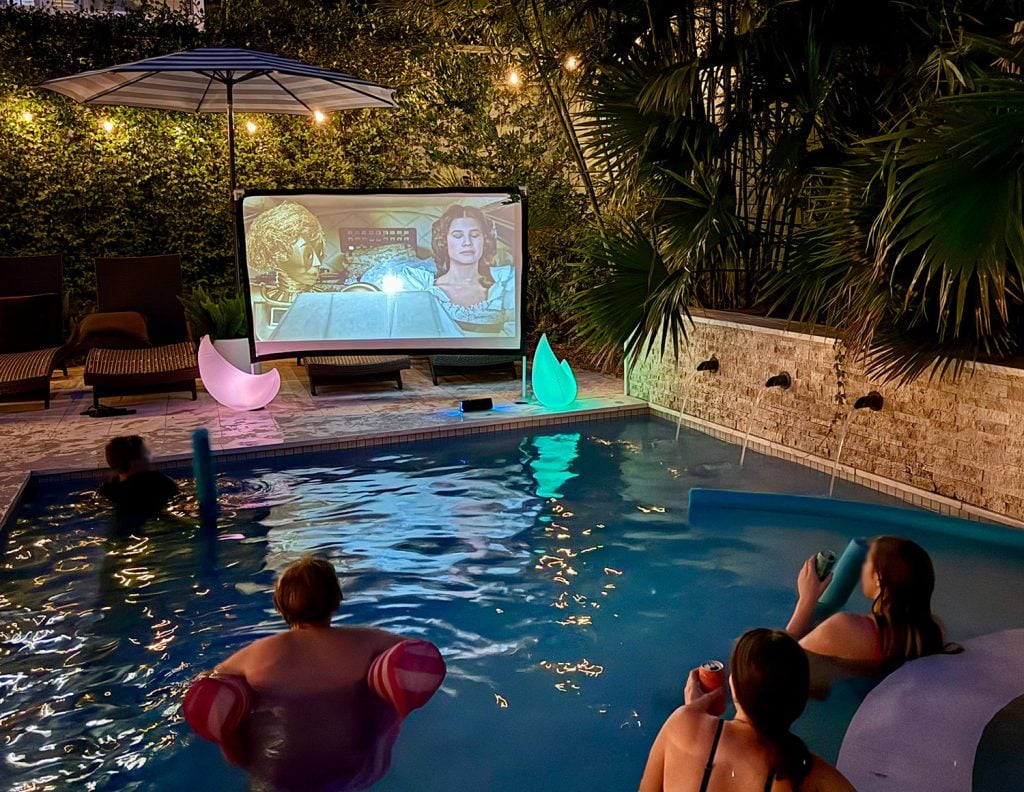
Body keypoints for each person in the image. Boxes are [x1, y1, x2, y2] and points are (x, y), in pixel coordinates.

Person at [210, 556, 407, 790]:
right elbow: (415, 652)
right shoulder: (365, 641)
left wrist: (231, 741)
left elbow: (211, 682)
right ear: (336, 600)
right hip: (346, 766)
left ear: (280, 604)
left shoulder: (256, 654)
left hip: (277, 771)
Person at [639, 629, 854, 792]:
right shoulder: (801, 770)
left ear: (734, 685)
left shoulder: (681, 725)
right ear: (799, 702)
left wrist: (693, 716)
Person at [786, 536, 951, 673]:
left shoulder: (846, 628)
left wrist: (806, 601)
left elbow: (778, 661)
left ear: (879, 579)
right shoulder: (934, 630)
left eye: (867, 562)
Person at [378, 204, 515, 335]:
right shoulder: (422, 288)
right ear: (444, 241)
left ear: (484, 240)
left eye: (474, 235)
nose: (467, 242)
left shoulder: (504, 284)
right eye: (457, 236)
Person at [245, 201, 345, 339]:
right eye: (308, 255)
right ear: (277, 255)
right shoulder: (254, 298)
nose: (317, 263)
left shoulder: (332, 299)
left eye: (319, 252)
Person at [98, 435, 178, 513]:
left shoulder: (107, 489)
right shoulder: (157, 482)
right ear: (134, 463)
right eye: (147, 453)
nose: (152, 456)